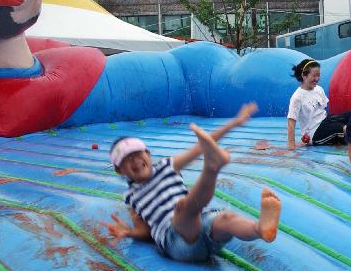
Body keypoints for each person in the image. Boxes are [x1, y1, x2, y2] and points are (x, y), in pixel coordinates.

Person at [103, 103, 282, 262]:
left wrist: (235, 122)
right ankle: (212, 167)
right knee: (183, 207)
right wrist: (129, 232)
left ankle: (260, 229)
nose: (135, 160)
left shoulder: (167, 165)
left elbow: (202, 146)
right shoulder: (131, 196)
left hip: (205, 231)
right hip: (176, 243)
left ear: (148, 154)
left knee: (227, 218)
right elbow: (145, 231)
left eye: (137, 154)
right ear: (120, 170)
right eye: (127, 159)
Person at [287, 58, 349, 149]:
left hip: (325, 121)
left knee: (350, 115)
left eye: (318, 75)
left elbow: (323, 111)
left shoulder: (319, 89)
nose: (317, 79)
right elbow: (291, 124)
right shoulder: (297, 97)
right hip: (314, 133)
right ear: (304, 76)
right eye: (314, 76)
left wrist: (335, 120)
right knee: (339, 129)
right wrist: (291, 146)